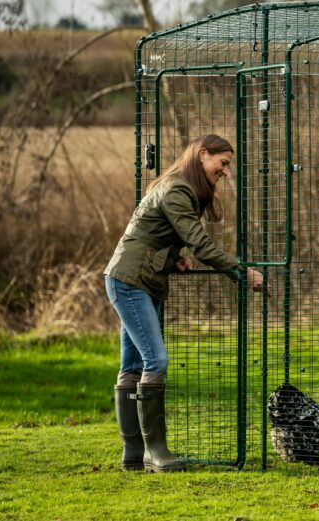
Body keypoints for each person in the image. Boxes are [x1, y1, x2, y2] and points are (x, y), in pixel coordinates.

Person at [104, 134, 264, 472]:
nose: (225, 171)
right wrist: (240, 271)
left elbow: (153, 233)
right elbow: (201, 244)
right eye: (222, 163)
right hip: (130, 281)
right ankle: (155, 452)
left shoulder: (175, 186)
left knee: (131, 367)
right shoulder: (179, 190)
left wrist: (172, 258)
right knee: (156, 360)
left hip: (141, 277)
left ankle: (133, 454)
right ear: (202, 155)